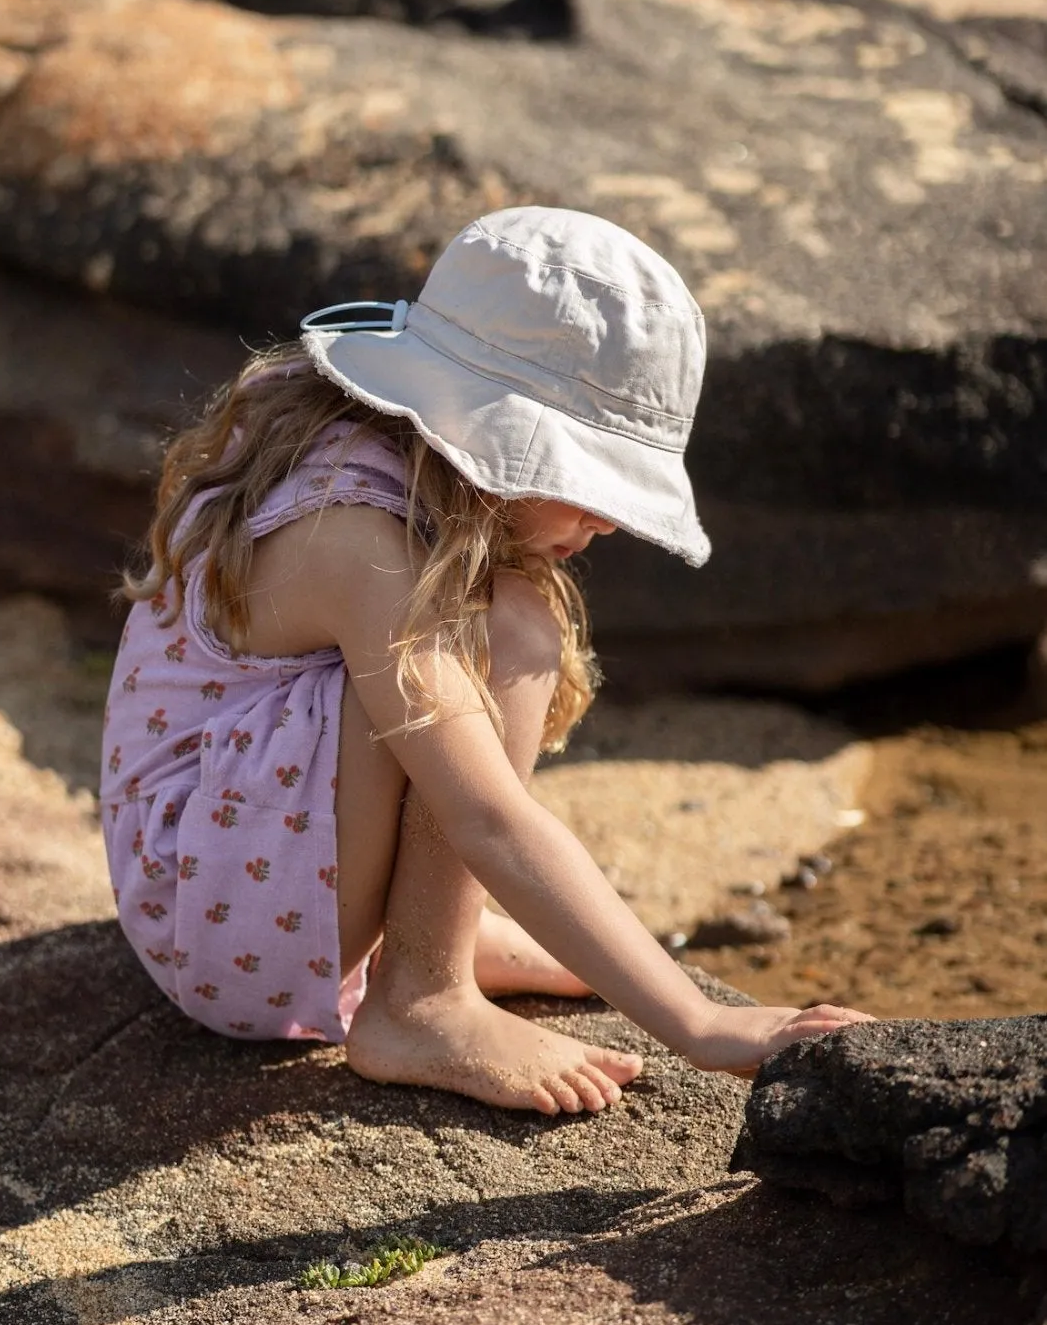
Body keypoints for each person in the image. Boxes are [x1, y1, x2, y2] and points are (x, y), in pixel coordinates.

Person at [100, 206, 869, 1115]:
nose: (609, 523)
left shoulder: (378, 453)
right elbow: (489, 819)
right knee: (508, 629)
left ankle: (434, 941)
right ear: (489, 434)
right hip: (213, 923)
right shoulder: (353, 545)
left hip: (229, 863)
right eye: (587, 482)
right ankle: (422, 997)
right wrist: (700, 1025)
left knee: (511, 616)